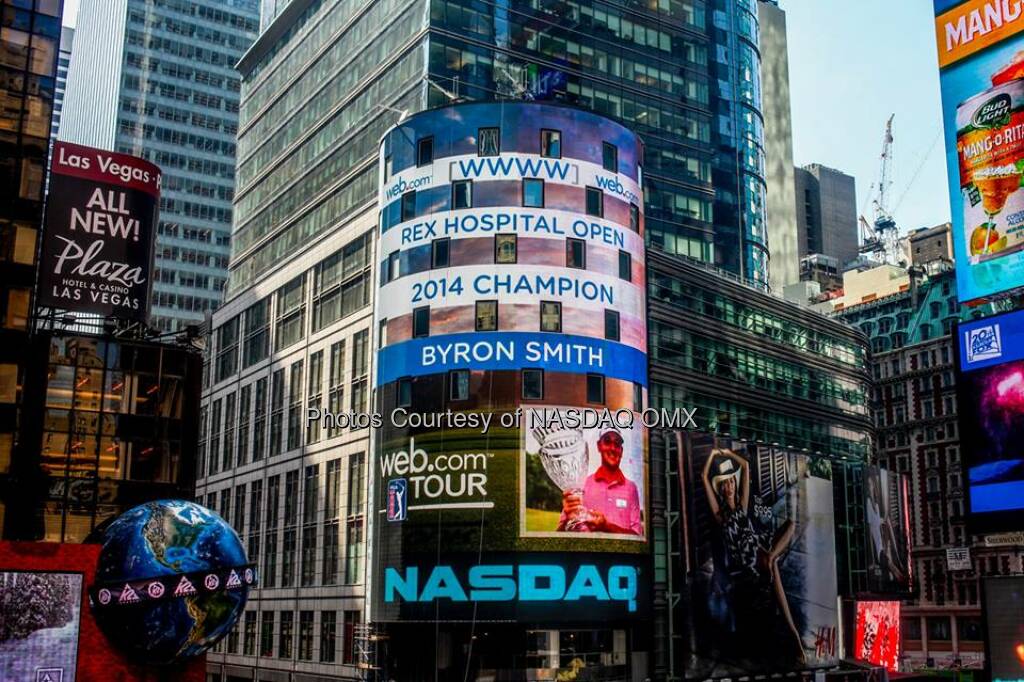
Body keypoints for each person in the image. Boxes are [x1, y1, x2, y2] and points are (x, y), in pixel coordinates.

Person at [701, 448, 806, 664]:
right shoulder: (721, 515)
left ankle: (771, 558)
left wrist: (728, 452)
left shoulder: (743, 504)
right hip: (747, 558)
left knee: (791, 524)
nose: (730, 486)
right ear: (720, 489)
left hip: (761, 545)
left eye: (731, 481)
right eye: (725, 484)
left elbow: (746, 467)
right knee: (770, 565)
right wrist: (712, 455)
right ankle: (794, 636)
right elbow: (703, 476)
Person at [558, 429, 642, 535]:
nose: (612, 448)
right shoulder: (581, 484)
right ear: (599, 446)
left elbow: (637, 535)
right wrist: (567, 520)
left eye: (617, 444)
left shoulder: (631, 488)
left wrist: (606, 526)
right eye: (607, 441)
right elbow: (559, 535)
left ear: (621, 450)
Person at [866, 475, 907, 585]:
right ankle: (902, 579)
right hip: (878, 550)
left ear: (874, 486)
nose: (869, 487)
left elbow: (880, 523)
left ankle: (903, 579)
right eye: (868, 485)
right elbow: (870, 531)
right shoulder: (868, 503)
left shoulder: (876, 505)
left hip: (882, 546)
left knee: (892, 567)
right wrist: (873, 558)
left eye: (871, 484)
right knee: (892, 567)